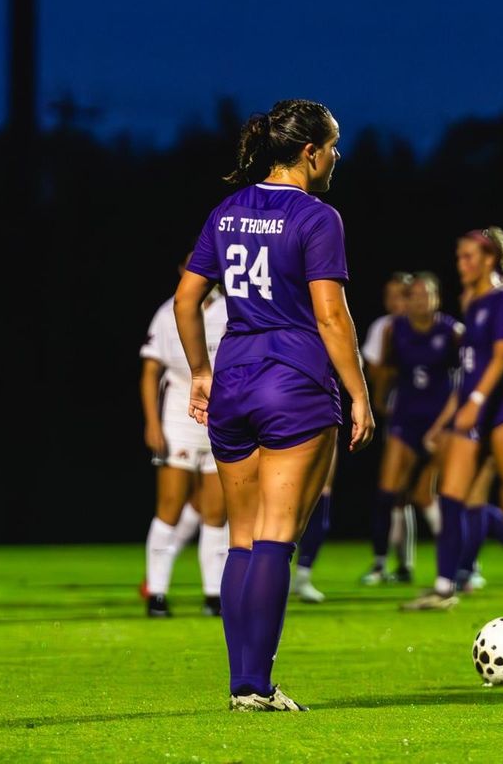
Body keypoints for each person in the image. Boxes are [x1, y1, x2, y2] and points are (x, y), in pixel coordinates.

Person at [174, 99, 374, 712]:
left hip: (233, 378)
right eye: (333, 147)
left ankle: (244, 685)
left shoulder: (227, 210)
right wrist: (360, 391)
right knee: (277, 538)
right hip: (292, 380)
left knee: (243, 539)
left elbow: (186, 301)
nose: (336, 157)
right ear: (310, 153)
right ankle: (256, 687)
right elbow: (331, 314)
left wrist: (201, 373)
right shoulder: (319, 217)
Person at [402, 227, 503, 612]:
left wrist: (476, 400)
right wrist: (448, 417)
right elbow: (469, 369)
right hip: (475, 410)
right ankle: (445, 588)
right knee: (451, 496)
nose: (462, 264)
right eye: (459, 257)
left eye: (469, 257)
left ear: (489, 259)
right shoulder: (470, 300)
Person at [140, 266, 230, 617]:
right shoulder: (169, 311)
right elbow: (151, 371)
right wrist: (152, 422)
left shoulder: (232, 308)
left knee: (216, 512)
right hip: (179, 415)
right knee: (171, 504)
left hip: (221, 417)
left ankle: (213, 595)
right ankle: (157, 593)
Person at [361, 272, 458, 585]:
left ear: (437, 299)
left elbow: (465, 377)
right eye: (413, 294)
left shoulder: (452, 331)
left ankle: (459, 563)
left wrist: (452, 421)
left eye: (425, 294)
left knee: (433, 495)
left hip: (440, 423)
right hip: (405, 420)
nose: (419, 300)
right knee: (387, 493)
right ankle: (379, 564)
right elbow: (386, 369)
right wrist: (377, 402)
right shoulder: (394, 329)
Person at [290, 448, 337, 603]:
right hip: (276, 428)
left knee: (322, 490)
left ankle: (303, 576)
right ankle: (273, 573)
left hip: (319, 426)